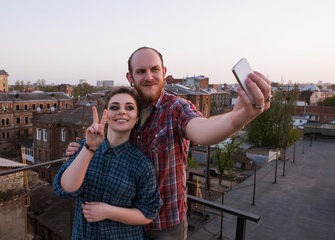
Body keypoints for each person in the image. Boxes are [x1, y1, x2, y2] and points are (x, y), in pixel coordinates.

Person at [66, 47, 272, 239]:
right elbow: (107, 145)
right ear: (130, 77)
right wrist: (82, 151)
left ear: (163, 71)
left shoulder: (176, 108)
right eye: (141, 71)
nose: (149, 77)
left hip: (165, 226)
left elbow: (202, 130)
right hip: (123, 223)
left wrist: (240, 117)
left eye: (154, 69)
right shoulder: (125, 109)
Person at [54, 87, 162, 239]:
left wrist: (107, 211)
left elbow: (149, 212)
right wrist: (89, 148)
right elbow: (65, 189)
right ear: (106, 113)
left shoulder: (141, 165)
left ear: (137, 117)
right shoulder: (83, 148)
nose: (122, 112)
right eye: (114, 107)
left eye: (129, 108)